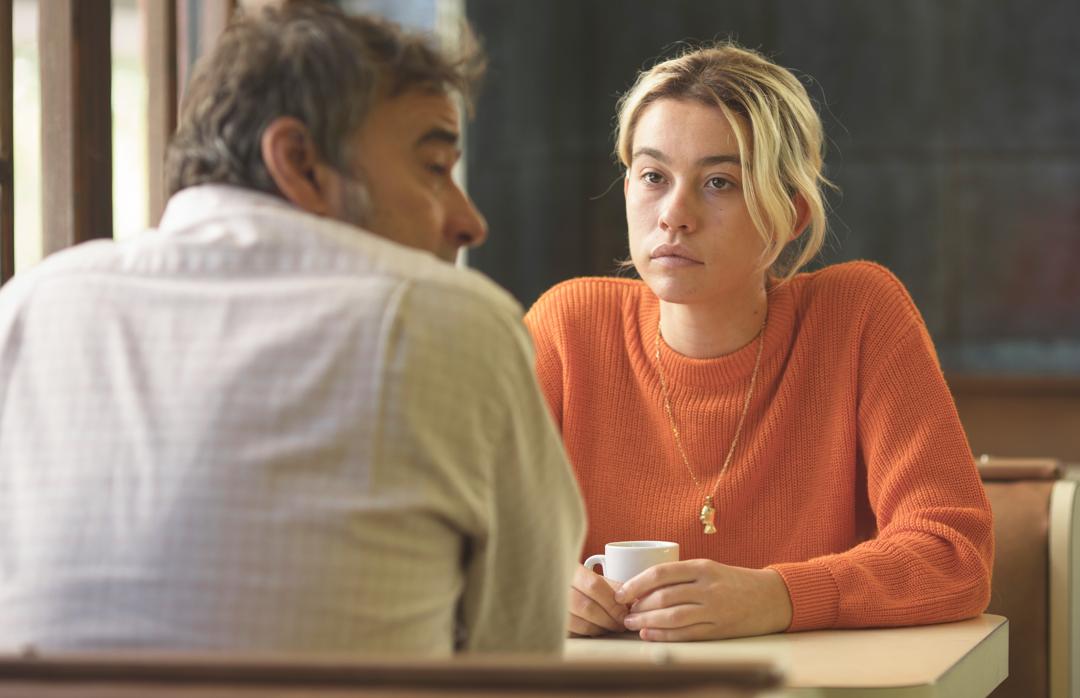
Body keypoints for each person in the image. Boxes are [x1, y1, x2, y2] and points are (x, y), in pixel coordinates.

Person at [0, 2, 584, 655]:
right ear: (299, 162)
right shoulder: (454, 324)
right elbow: (520, 656)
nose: (469, 220)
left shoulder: (27, 310)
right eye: (433, 166)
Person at [524, 42, 993, 642]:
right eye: (652, 176)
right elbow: (461, 541)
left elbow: (954, 557)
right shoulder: (568, 327)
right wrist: (534, 583)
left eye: (718, 182)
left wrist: (779, 597)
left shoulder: (859, 315)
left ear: (790, 214)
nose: (674, 214)